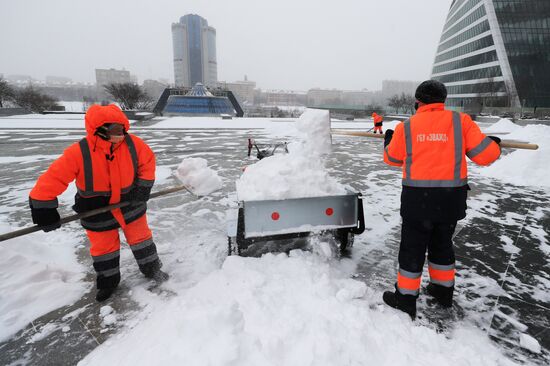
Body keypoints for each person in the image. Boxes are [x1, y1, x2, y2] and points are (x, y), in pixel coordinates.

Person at [381, 80, 501, 319]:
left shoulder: (407, 127)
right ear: (443, 101)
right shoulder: (460, 122)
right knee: (442, 247)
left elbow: (392, 160)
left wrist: (388, 140)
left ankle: (405, 300)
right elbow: (485, 156)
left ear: (418, 102)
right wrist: (494, 144)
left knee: (412, 250)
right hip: (450, 201)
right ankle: (442, 293)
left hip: (417, 202)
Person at [29, 104, 168, 302]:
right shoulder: (79, 152)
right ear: (99, 129)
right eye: (114, 129)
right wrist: (44, 207)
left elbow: (147, 164)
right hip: (95, 210)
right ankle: (109, 281)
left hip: (130, 204)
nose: (120, 133)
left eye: (122, 128)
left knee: (141, 239)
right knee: (104, 250)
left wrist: (142, 189)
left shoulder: (134, 144)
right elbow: (53, 179)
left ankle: (152, 269)